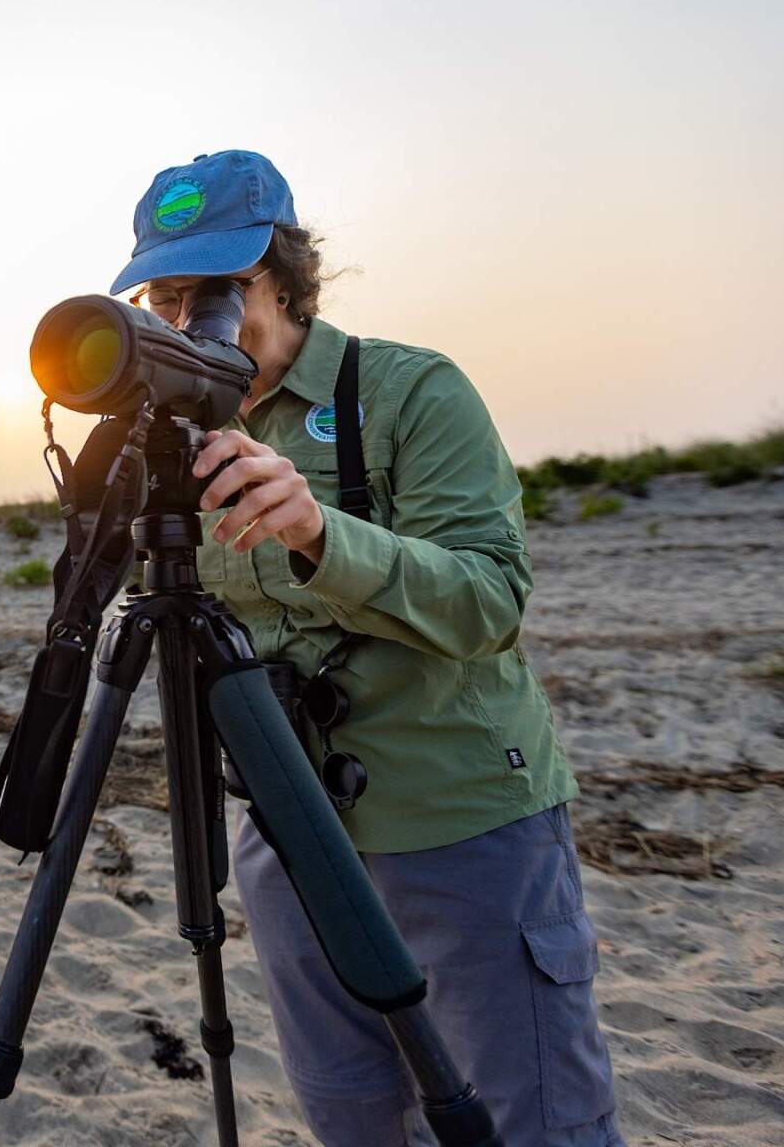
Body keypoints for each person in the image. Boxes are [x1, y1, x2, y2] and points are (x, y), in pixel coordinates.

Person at [107, 150, 624, 1147]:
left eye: (216, 289)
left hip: (460, 821)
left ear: (287, 274)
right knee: (352, 1114)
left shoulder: (408, 390)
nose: (188, 321)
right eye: (164, 296)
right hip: (292, 825)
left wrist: (317, 532)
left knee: (535, 1121)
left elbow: (489, 600)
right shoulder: (174, 439)